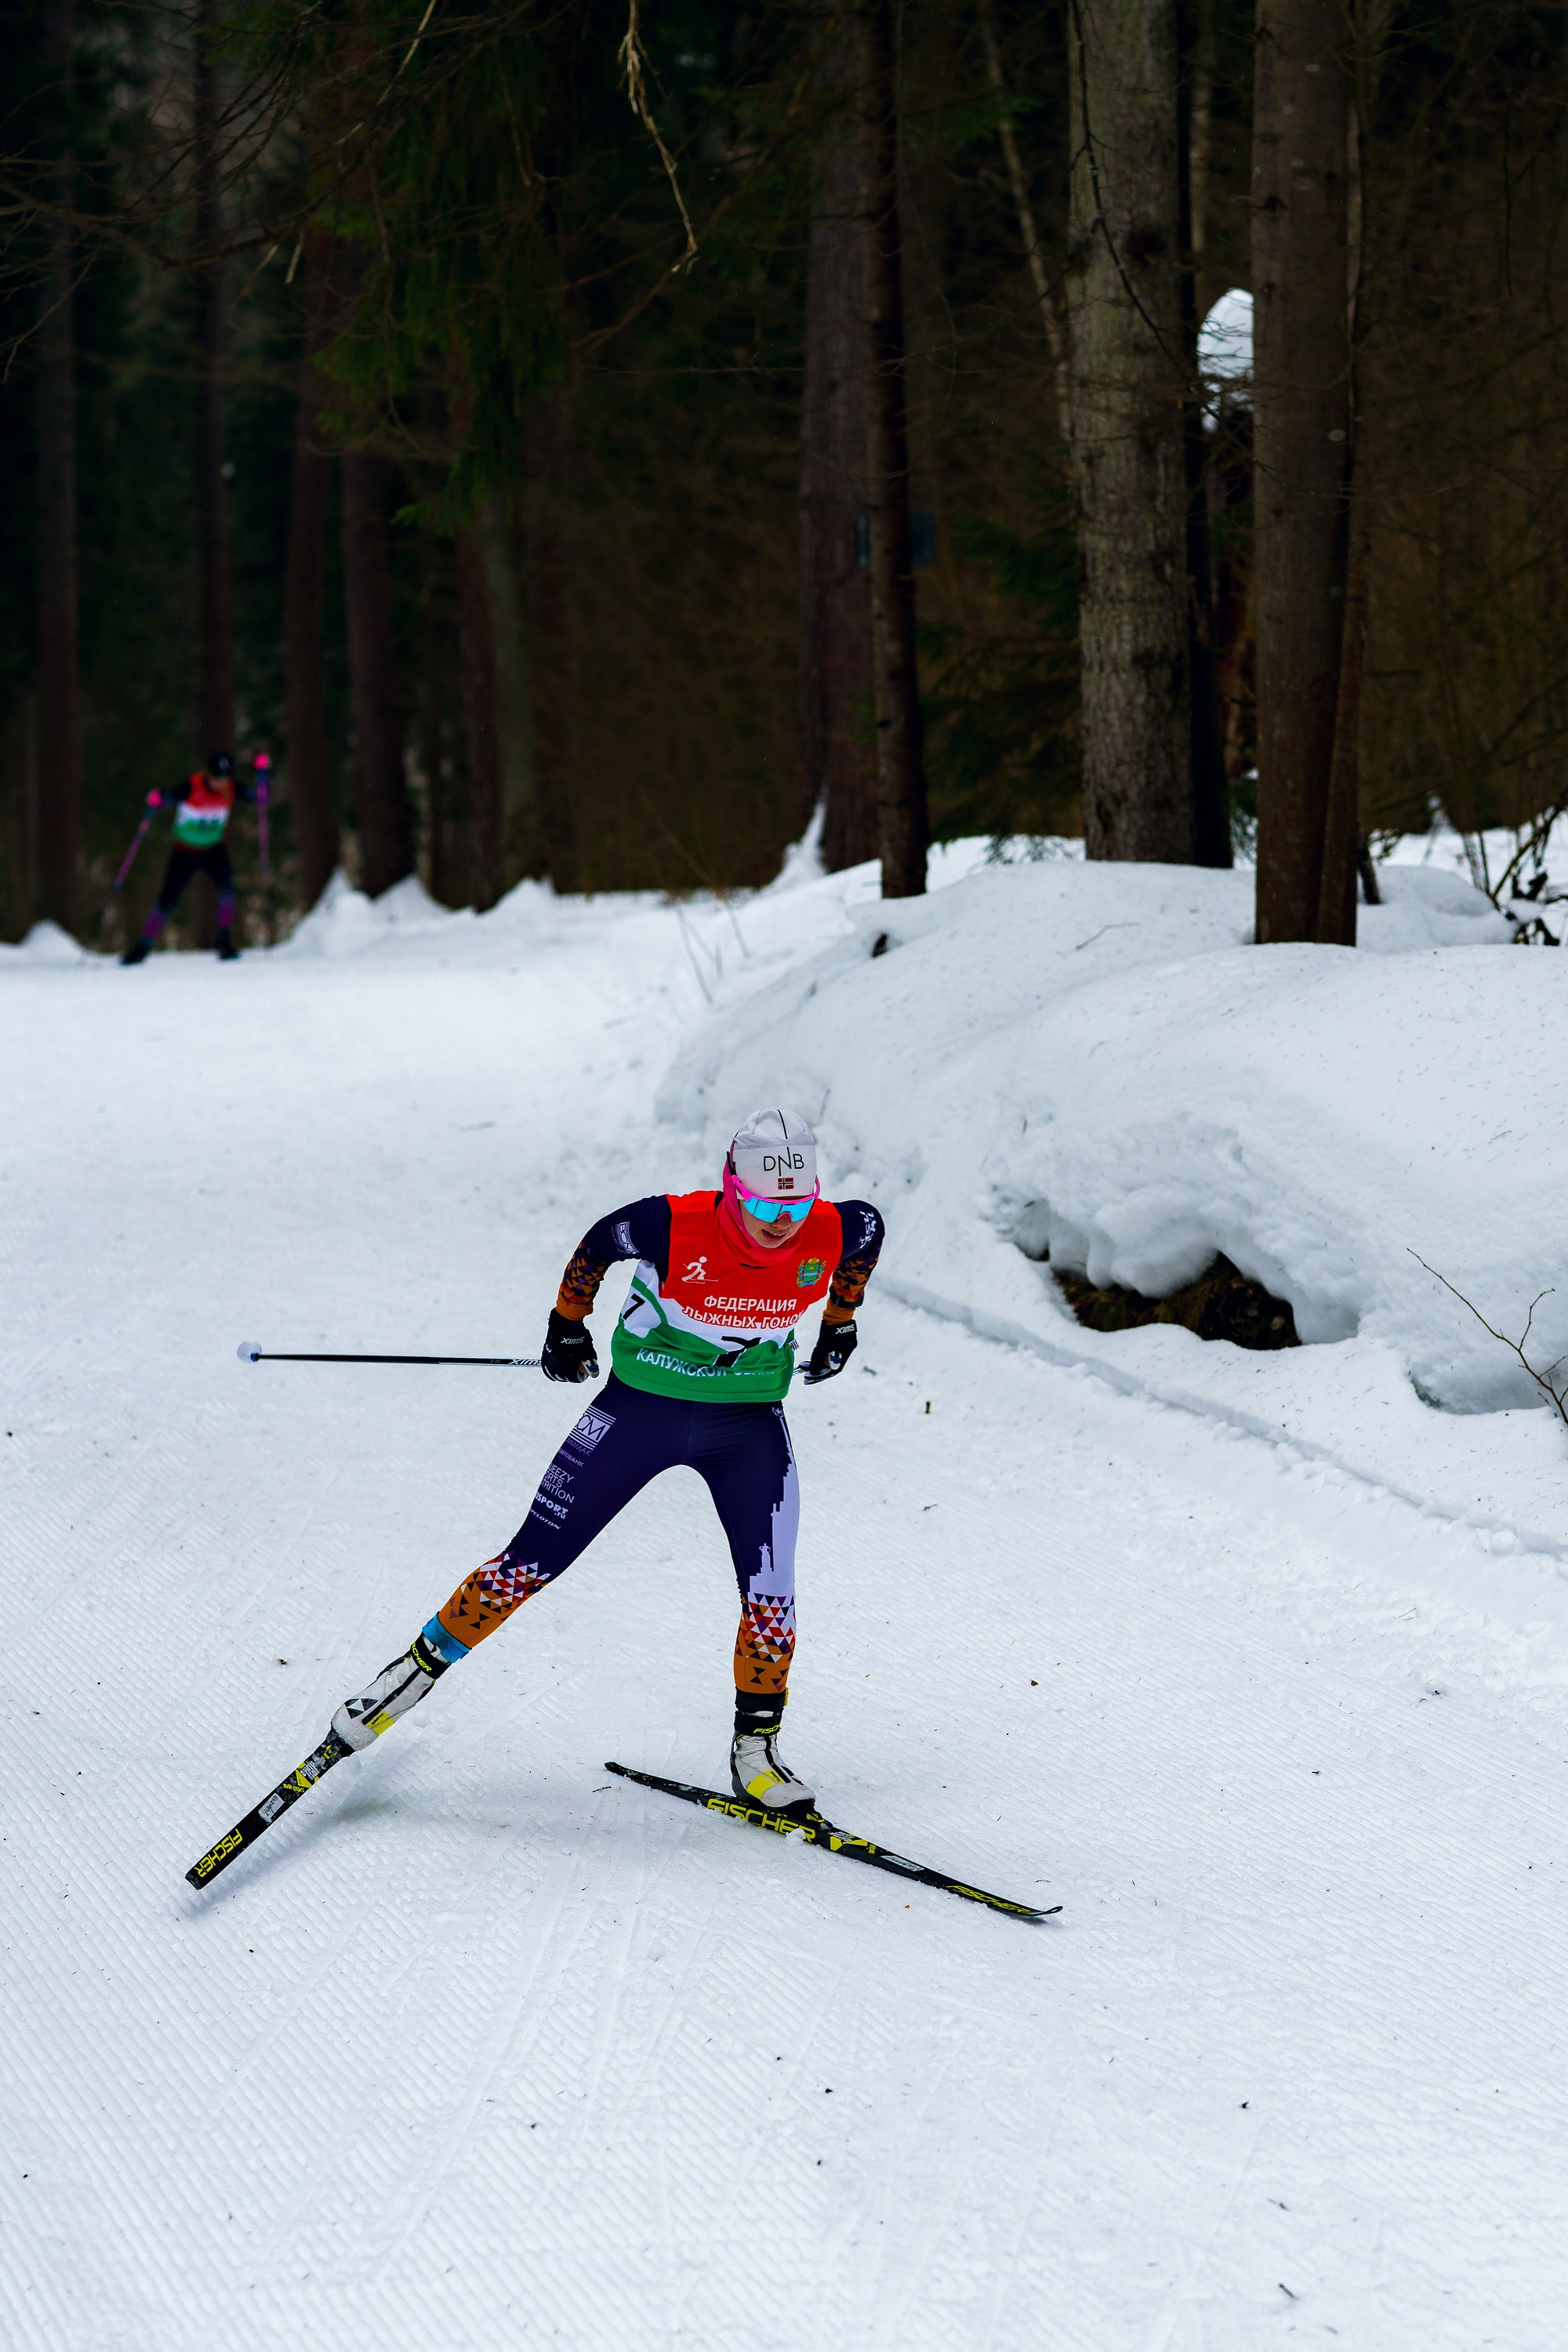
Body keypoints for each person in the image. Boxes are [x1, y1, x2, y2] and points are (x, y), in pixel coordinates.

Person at [328, 1109, 884, 1816]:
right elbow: (596, 1245)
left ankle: (756, 1754)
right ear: (732, 1188)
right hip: (637, 1414)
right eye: (765, 1204)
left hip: (748, 1427)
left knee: (771, 1594)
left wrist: (841, 1322)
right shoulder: (670, 1224)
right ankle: (405, 1679)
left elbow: (864, 1244)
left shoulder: (843, 1227)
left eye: (796, 1205)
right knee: (529, 1561)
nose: (782, 1222)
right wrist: (567, 1323)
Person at [121, 750, 257, 964]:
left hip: (214, 850)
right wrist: (158, 798)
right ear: (208, 775)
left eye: (225, 778)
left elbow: (260, 796)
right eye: (216, 778)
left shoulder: (231, 788)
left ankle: (224, 943)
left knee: (227, 892)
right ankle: (142, 948)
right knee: (167, 899)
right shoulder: (191, 787)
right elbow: (168, 797)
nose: (221, 783)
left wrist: (263, 773)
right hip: (185, 852)